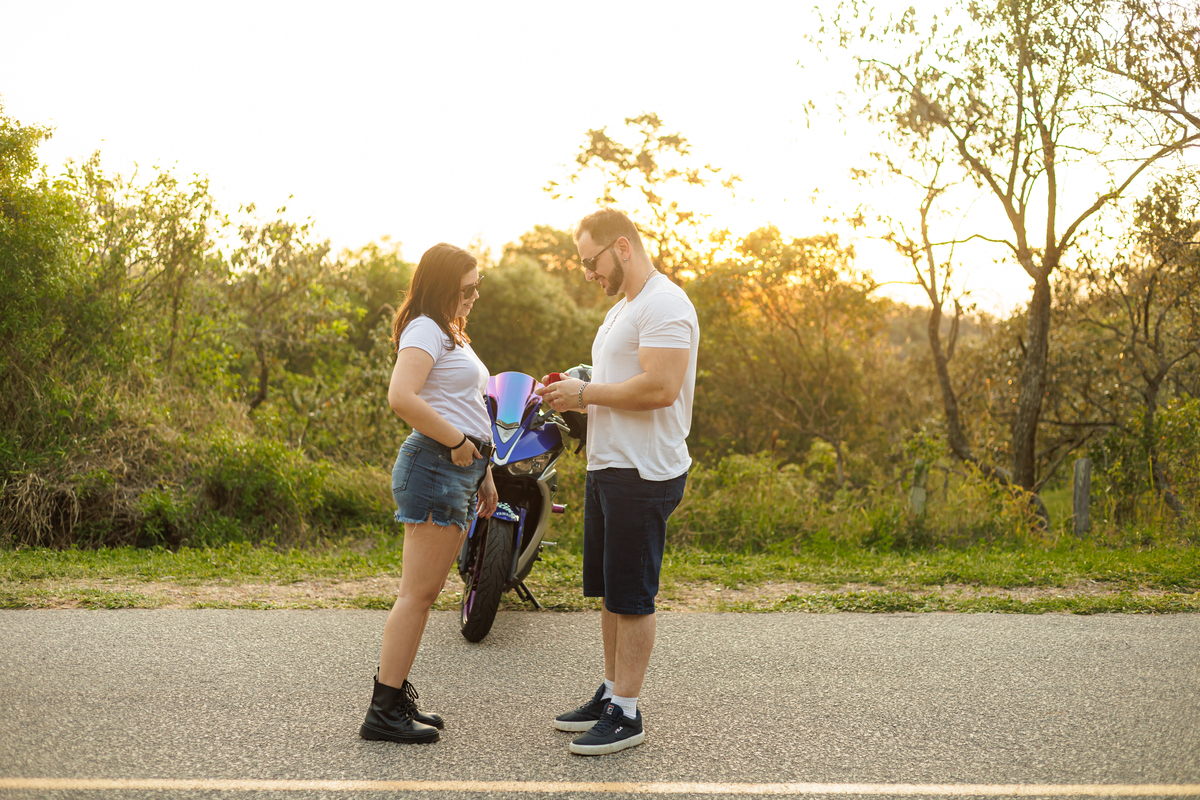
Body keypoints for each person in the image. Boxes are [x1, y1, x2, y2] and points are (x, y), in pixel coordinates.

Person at [535, 207, 699, 756]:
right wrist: (572, 384)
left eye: (591, 261)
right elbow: (611, 378)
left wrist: (586, 395)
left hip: (643, 471)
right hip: (609, 466)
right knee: (609, 592)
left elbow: (660, 387)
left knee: (632, 598)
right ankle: (610, 694)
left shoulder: (666, 304)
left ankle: (628, 713)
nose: (587, 274)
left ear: (622, 247)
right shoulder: (622, 311)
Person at [359, 242, 499, 745]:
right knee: (416, 597)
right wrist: (459, 443)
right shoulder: (424, 329)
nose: (474, 296)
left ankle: (393, 699)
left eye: (477, 287)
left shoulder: (449, 332)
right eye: (466, 289)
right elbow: (402, 396)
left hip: (458, 467)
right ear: (441, 286)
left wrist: (483, 470)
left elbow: (463, 403)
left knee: (421, 596)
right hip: (437, 465)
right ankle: (383, 710)